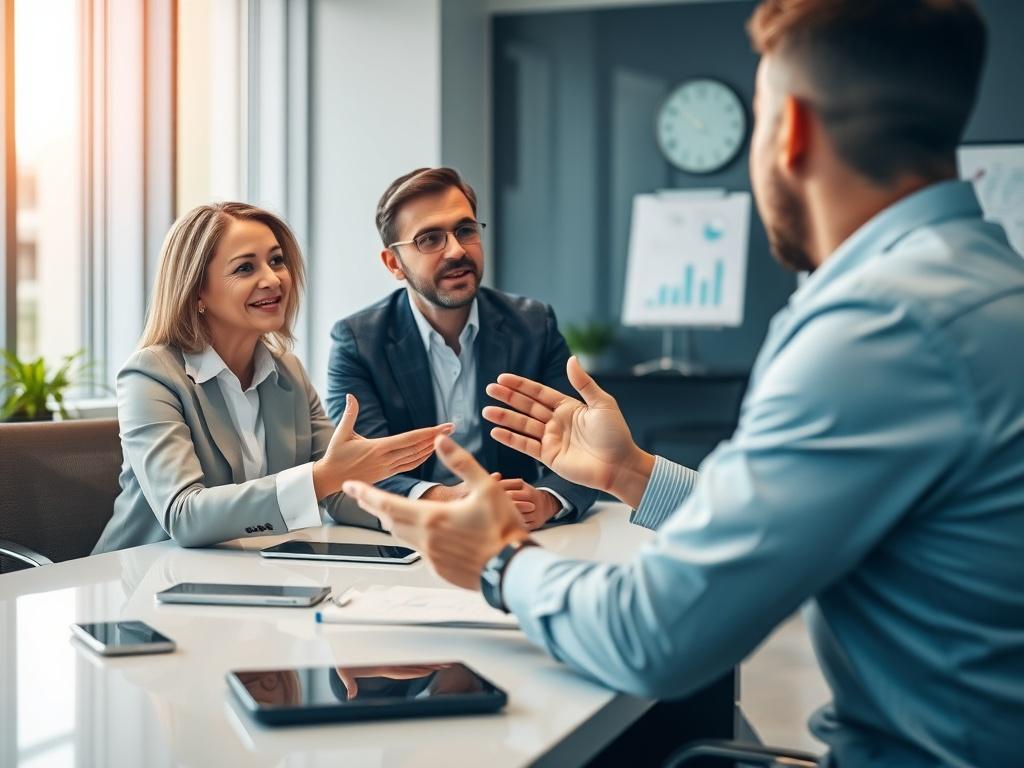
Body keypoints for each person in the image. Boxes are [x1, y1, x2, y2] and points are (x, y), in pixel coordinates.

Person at [341, 1, 1024, 765]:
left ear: (788, 131)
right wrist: (627, 472)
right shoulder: (988, 287)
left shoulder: (876, 327)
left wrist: (499, 562)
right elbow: (783, 527)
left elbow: (654, 637)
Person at [93, 202, 452, 553]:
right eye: (245, 268)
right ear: (197, 290)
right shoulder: (151, 375)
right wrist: (321, 477)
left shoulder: (288, 372)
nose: (273, 279)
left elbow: (340, 493)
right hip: (139, 582)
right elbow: (184, 514)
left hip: (246, 578)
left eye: (276, 261)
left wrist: (441, 511)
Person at [326, 167, 597, 530]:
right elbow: (358, 466)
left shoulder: (533, 325)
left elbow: (584, 449)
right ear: (394, 264)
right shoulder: (357, 341)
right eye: (429, 239)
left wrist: (545, 501)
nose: (456, 251)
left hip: (514, 538)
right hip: (411, 542)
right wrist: (448, 499)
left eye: (465, 230)